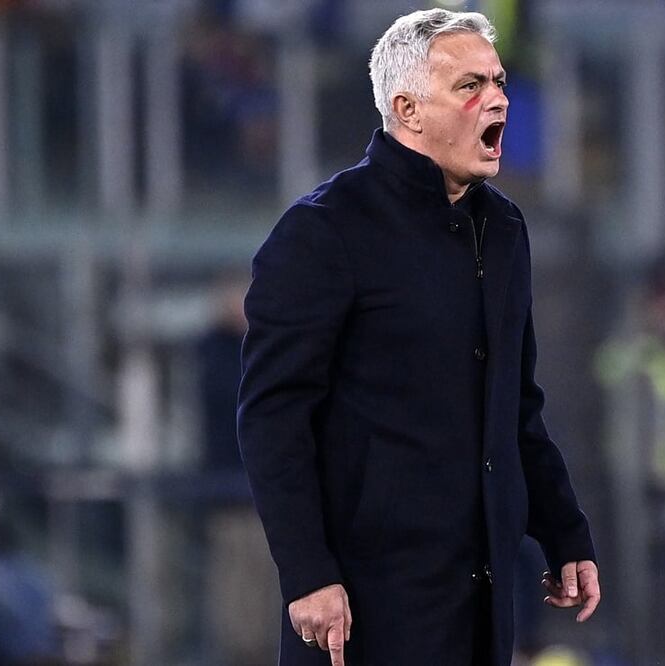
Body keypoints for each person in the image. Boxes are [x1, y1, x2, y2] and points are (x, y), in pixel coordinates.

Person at [236, 9, 600, 666]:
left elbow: (515, 406)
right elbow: (272, 416)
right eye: (470, 86)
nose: (497, 100)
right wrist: (307, 572)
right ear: (407, 110)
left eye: (498, 81)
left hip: (479, 608)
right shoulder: (323, 231)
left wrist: (563, 530)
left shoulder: (504, 230)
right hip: (364, 610)